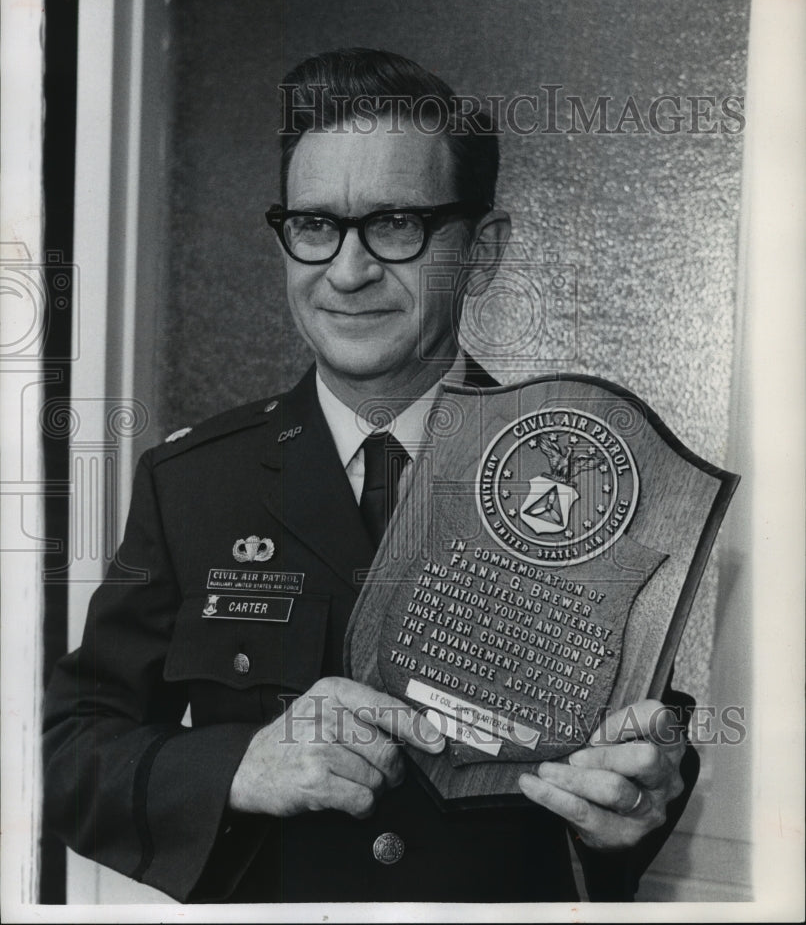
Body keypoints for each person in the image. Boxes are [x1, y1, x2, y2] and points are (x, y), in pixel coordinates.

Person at [43, 47, 697, 904]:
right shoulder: (190, 483)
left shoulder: (594, 480)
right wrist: (241, 765)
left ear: (481, 250)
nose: (347, 273)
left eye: (396, 224)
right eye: (315, 226)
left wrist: (631, 811)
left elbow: (637, 758)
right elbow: (64, 753)